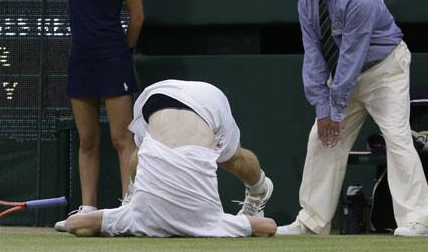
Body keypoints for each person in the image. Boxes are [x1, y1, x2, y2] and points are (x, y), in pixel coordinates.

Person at [277, 0, 428, 237]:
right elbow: (314, 56)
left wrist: (335, 112)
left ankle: (417, 222)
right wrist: (324, 110)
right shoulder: (307, 0)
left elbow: (351, 57)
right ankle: (312, 222)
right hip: (344, 77)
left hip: (385, 71)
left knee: (397, 138)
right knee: (321, 139)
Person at [64, 79, 276, 237]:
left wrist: (242, 225)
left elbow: (266, 227)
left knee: (230, 159)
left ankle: (259, 189)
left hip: (162, 95)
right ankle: (260, 190)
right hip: (189, 99)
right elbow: (76, 224)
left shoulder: (209, 223)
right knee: (230, 159)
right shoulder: (137, 220)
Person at [54, 0, 144, 231]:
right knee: (88, 139)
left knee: (122, 138)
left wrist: (125, 50)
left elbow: (137, 17)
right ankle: (88, 207)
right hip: (81, 61)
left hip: (113, 60)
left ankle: (130, 206)